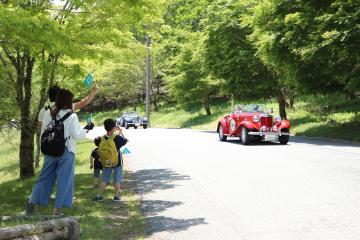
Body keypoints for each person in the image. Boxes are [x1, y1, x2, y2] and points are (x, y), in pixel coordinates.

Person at [26, 89, 94, 215]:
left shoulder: (47, 113)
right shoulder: (72, 115)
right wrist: (87, 129)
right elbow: (78, 135)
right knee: (64, 181)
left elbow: (43, 132)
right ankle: (56, 211)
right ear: (68, 101)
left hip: (49, 150)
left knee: (43, 178)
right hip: (66, 151)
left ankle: (32, 204)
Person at [35, 83, 99, 167]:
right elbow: (83, 103)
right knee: (65, 177)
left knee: (47, 177)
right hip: (66, 147)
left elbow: (40, 128)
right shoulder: (68, 106)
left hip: (48, 148)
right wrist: (93, 92)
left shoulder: (43, 110)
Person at [93, 119, 128, 202]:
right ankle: (116, 196)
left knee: (104, 179)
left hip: (106, 162)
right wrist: (120, 132)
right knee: (117, 180)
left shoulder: (101, 139)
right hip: (117, 162)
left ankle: (99, 196)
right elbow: (125, 140)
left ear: (105, 127)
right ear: (114, 127)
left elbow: (96, 143)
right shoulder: (118, 138)